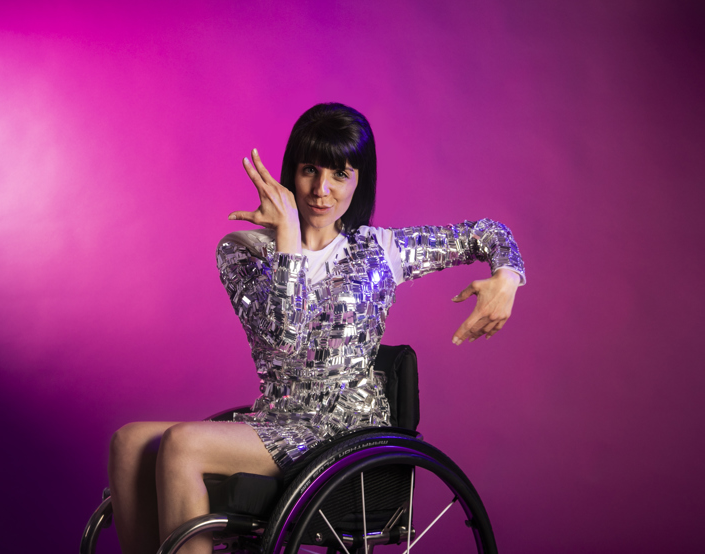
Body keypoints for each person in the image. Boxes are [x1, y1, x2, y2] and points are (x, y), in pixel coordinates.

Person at [107, 103, 525, 554]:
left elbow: (488, 232)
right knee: (128, 442)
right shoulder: (242, 251)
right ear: (292, 172)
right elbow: (283, 343)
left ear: (358, 179)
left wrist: (508, 278)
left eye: (340, 174)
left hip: (343, 426)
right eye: (310, 170)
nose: (321, 190)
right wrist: (287, 242)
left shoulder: (380, 249)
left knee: (182, 445)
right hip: (279, 417)